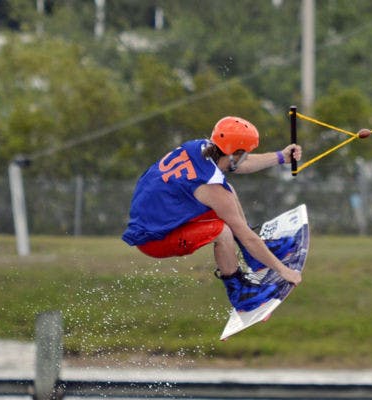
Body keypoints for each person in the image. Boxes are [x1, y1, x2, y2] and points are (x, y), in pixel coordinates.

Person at [122, 116, 303, 311]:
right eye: (245, 153)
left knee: (228, 190)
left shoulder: (202, 147)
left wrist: (281, 157)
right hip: (154, 240)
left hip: (157, 217)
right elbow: (246, 236)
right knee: (223, 230)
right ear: (234, 153)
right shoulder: (210, 187)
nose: (247, 156)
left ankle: (254, 258)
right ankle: (239, 292)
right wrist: (284, 271)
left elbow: (239, 163)